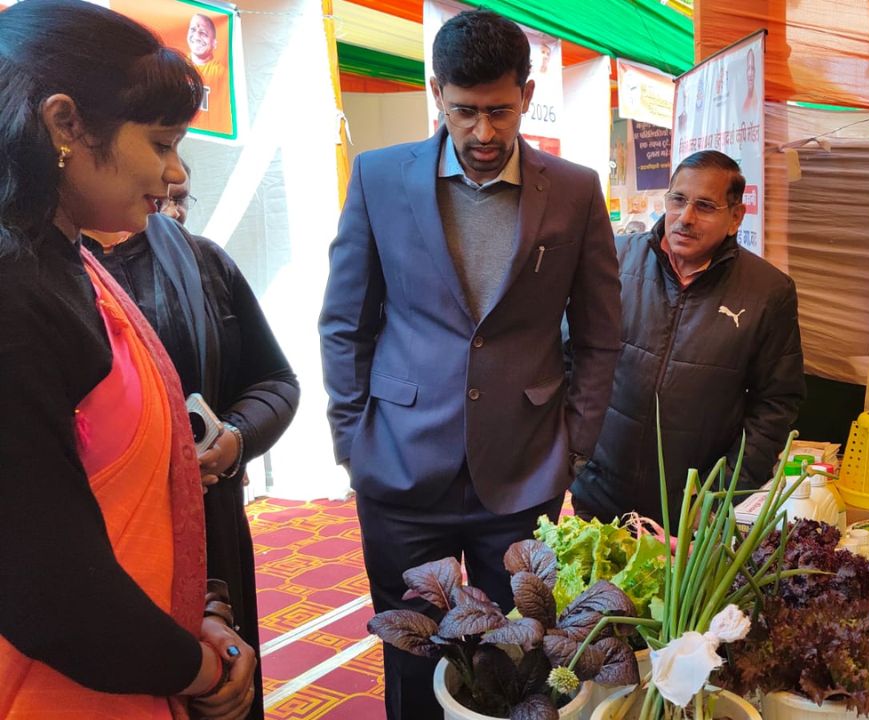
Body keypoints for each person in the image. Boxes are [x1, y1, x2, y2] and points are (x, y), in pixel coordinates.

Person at [318, 9, 620, 720]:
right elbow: (344, 323)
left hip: (524, 468)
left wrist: (573, 446)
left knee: (514, 657)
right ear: (435, 94)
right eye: (464, 112)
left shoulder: (573, 191)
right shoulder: (379, 178)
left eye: (499, 111)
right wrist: (351, 438)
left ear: (526, 91)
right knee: (409, 648)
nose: (483, 133)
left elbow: (603, 334)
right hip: (397, 461)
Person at [0, 1, 256, 718]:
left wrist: (181, 621)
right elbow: (48, 589)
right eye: (163, 142)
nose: (176, 173)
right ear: (64, 124)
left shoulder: (66, 260)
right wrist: (197, 667)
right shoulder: (15, 296)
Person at [85, 160, 299, 720]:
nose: (173, 175)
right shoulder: (38, 280)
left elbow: (274, 380)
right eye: (156, 144)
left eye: (183, 194)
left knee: (226, 693)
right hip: (95, 552)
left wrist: (234, 439)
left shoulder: (204, 264)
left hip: (209, 534)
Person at [571, 150, 804, 524]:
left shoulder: (767, 292)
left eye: (706, 206)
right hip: (597, 495)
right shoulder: (613, 259)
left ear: (735, 218)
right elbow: (568, 358)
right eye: (678, 200)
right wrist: (572, 458)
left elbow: (775, 404)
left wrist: (725, 492)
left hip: (689, 512)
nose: (685, 218)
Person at [186, 13, 231, 133]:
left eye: (203, 33)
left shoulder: (222, 74)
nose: (196, 36)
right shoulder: (175, 67)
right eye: (193, 29)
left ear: (214, 43)